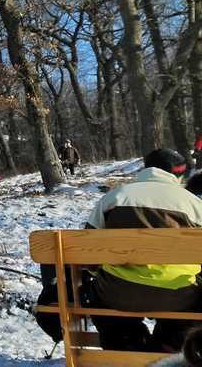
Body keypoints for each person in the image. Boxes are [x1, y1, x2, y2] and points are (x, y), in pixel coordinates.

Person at [85, 149, 202, 352]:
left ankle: (125, 343)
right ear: (178, 174)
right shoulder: (193, 204)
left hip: (118, 292)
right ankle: (169, 345)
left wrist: (97, 273)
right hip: (180, 294)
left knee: (97, 294)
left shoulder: (114, 197)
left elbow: (87, 252)